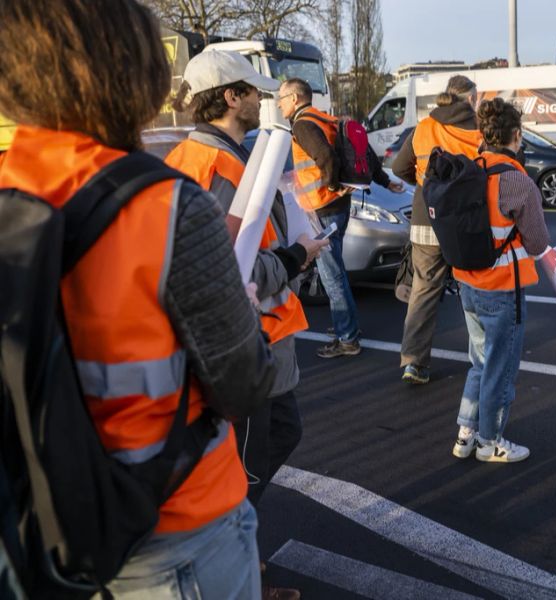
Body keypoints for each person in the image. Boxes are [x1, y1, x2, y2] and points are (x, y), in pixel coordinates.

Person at [0, 1, 276, 597]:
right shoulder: (166, 208)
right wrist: (245, 310)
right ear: (135, 69)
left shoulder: (9, 187)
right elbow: (246, 384)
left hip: (41, 525)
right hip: (174, 536)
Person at [165, 51, 327, 600]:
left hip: (260, 334)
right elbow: (225, 271)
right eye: (253, 90)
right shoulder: (215, 167)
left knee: (274, 439)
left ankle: (240, 562)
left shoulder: (226, 156)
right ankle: (234, 570)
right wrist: (298, 256)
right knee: (245, 464)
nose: (262, 99)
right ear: (230, 97)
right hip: (247, 338)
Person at [450, 98, 550, 463]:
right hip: (502, 288)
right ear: (517, 136)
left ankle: (466, 433)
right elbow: (538, 242)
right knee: (500, 368)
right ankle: (490, 442)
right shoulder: (517, 182)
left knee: (479, 361)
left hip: (467, 284)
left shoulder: (469, 169)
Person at [278, 78, 404, 358]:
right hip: (340, 206)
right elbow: (365, 153)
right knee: (336, 271)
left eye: (282, 99)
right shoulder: (327, 119)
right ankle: (345, 325)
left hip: (322, 208)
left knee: (331, 274)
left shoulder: (302, 124)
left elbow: (326, 158)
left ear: (296, 98)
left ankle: (347, 338)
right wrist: (384, 181)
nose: (279, 104)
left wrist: (331, 184)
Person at [393, 75, 483, 384]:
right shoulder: (477, 129)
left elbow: (398, 167)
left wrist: (424, 184)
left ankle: (413, 363)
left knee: (424, 291)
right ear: (471, 98)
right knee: (474, 287)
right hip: (465, 221)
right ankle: (483, 360)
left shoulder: (424, 127)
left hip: (426, 218)